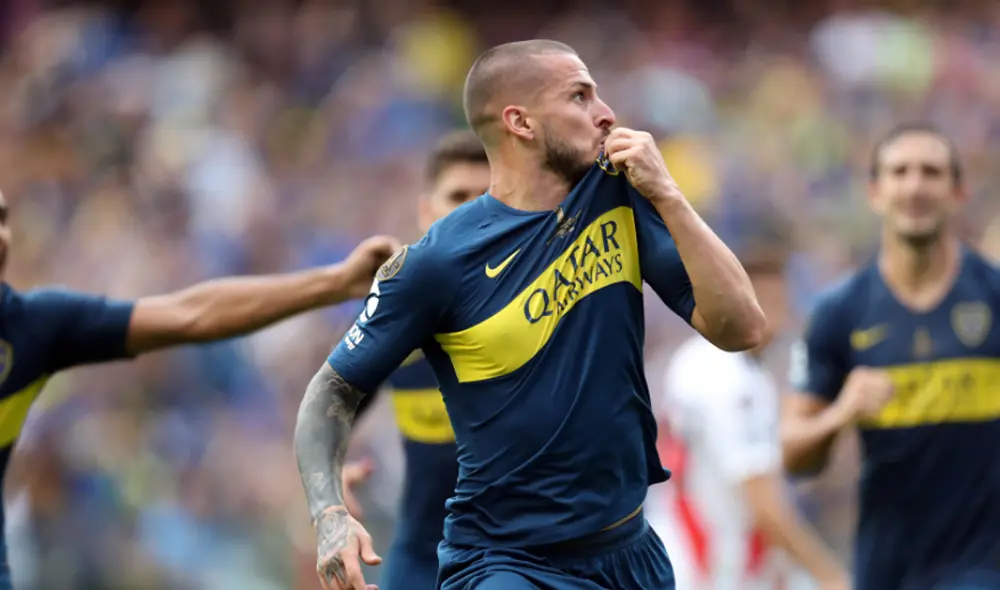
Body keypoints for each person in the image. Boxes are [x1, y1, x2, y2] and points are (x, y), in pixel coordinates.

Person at [294, 39, 765, 590]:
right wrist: (330, 515)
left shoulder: (619, 196)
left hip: (632, 553)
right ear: (520, 122)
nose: (606, 113)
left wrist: (669, 194)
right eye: (580, 96)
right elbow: (330, 391)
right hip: (511, 563)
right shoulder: (437, 262)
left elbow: (742, 328)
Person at [0, 188, 399, 589]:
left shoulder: (30, 329)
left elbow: (189, 314)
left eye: (3, 219)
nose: (2, 235)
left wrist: (337, 282)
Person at [782, 122, 1000, 590]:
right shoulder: (839, 311)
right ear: (875, 193)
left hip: (983, 565)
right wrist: (842, 411)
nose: (915, 186)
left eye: (931, 172)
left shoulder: (994, 296)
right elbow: (795, 455)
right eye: (900, 172)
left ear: (959, 192)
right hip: (886, 568)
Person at [340, 129, 490, 590]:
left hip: (527, 556)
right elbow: (330, 408)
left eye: (487, 197)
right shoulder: (398, 316)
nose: (471, 210)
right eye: (457, 196)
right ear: (426, 211)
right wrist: (328, 480)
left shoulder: (547, 307)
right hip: (424, 561)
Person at [653, 244, 848, 590]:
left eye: (778, 303)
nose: (772, 317)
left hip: (680, 550)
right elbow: (763, 502)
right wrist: (828, 575)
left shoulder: (695, 359)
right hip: (711, 567)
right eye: (761, 301)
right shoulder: (732, 381)